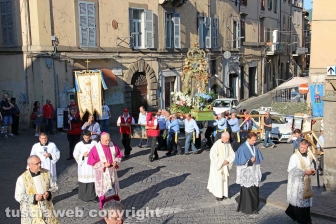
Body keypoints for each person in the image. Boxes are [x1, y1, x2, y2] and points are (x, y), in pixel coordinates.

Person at [15, 155, 59, 223]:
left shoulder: (46, 173)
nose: (40, 165)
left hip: (46, 210)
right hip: (31, 213)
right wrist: (34, 197)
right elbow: (18, 196)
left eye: (40, 162)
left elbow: (54, 187)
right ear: (29, 165)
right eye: (37, 164)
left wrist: (48, 193)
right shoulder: (22, 179)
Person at [87, 133, 123, 209]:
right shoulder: (96, 148)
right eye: (106, 140)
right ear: (101, 139)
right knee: (104, 193)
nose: (108, 142)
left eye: (109, 140)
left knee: (113, 190)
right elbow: (92, 163)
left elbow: (119, 155)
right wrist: (103, 164)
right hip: (102, 174)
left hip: (112, 171)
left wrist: (116, 161)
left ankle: (114, 206)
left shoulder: (113, 145)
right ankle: (104, 208)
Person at [285, 139, 315, 224]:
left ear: (307, 147)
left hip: (306, 183)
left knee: (306, 203)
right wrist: (304, 172)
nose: (302, 149)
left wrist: (312, 170)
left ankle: (307, 219)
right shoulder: (294, 156)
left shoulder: (309, 155)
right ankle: (302, 221)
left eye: (304, 148)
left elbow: (310, 164)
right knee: (299, 203)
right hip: (297, 183)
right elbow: (291, 170)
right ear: (299, 146)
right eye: (301, 147)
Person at [234, 132, 264, 214]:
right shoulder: (242, 148)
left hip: (254, 173)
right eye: (253, 140)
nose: (254, 142)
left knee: (255, 192)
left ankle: (254, 207)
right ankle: (248, 209)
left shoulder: (254, 147)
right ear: (248, 139)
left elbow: (258, 159)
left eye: (255, 140)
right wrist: (250, 161)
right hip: (246, 175)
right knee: (248, 192)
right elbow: (240, 163)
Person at [207, 132, 235, 201]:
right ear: (222, 137)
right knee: (219, 181)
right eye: (226, 138)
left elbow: (232, 154)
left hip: (225, 166)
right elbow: (213, 156)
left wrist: (228, 160)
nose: (228, 140)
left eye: (228, 138)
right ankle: (219, 194)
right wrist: (222, 162)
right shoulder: (217, 144)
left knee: (225, 181)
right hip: (219, 167)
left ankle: (224, 194)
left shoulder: (228, 144)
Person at [73, 130, 98, 202]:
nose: (87, 139)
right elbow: (75, 154)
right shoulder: (79, 145)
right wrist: (83, 155)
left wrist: (92, 155)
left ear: (90, 136)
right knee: (84, 180)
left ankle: (93, 196)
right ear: (83, 136)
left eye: (88, 137)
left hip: (92, 165)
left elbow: (98, 152)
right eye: (85, 137)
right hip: (83, 165)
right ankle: (83, 196)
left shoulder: (94, 143)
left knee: (92, 181)